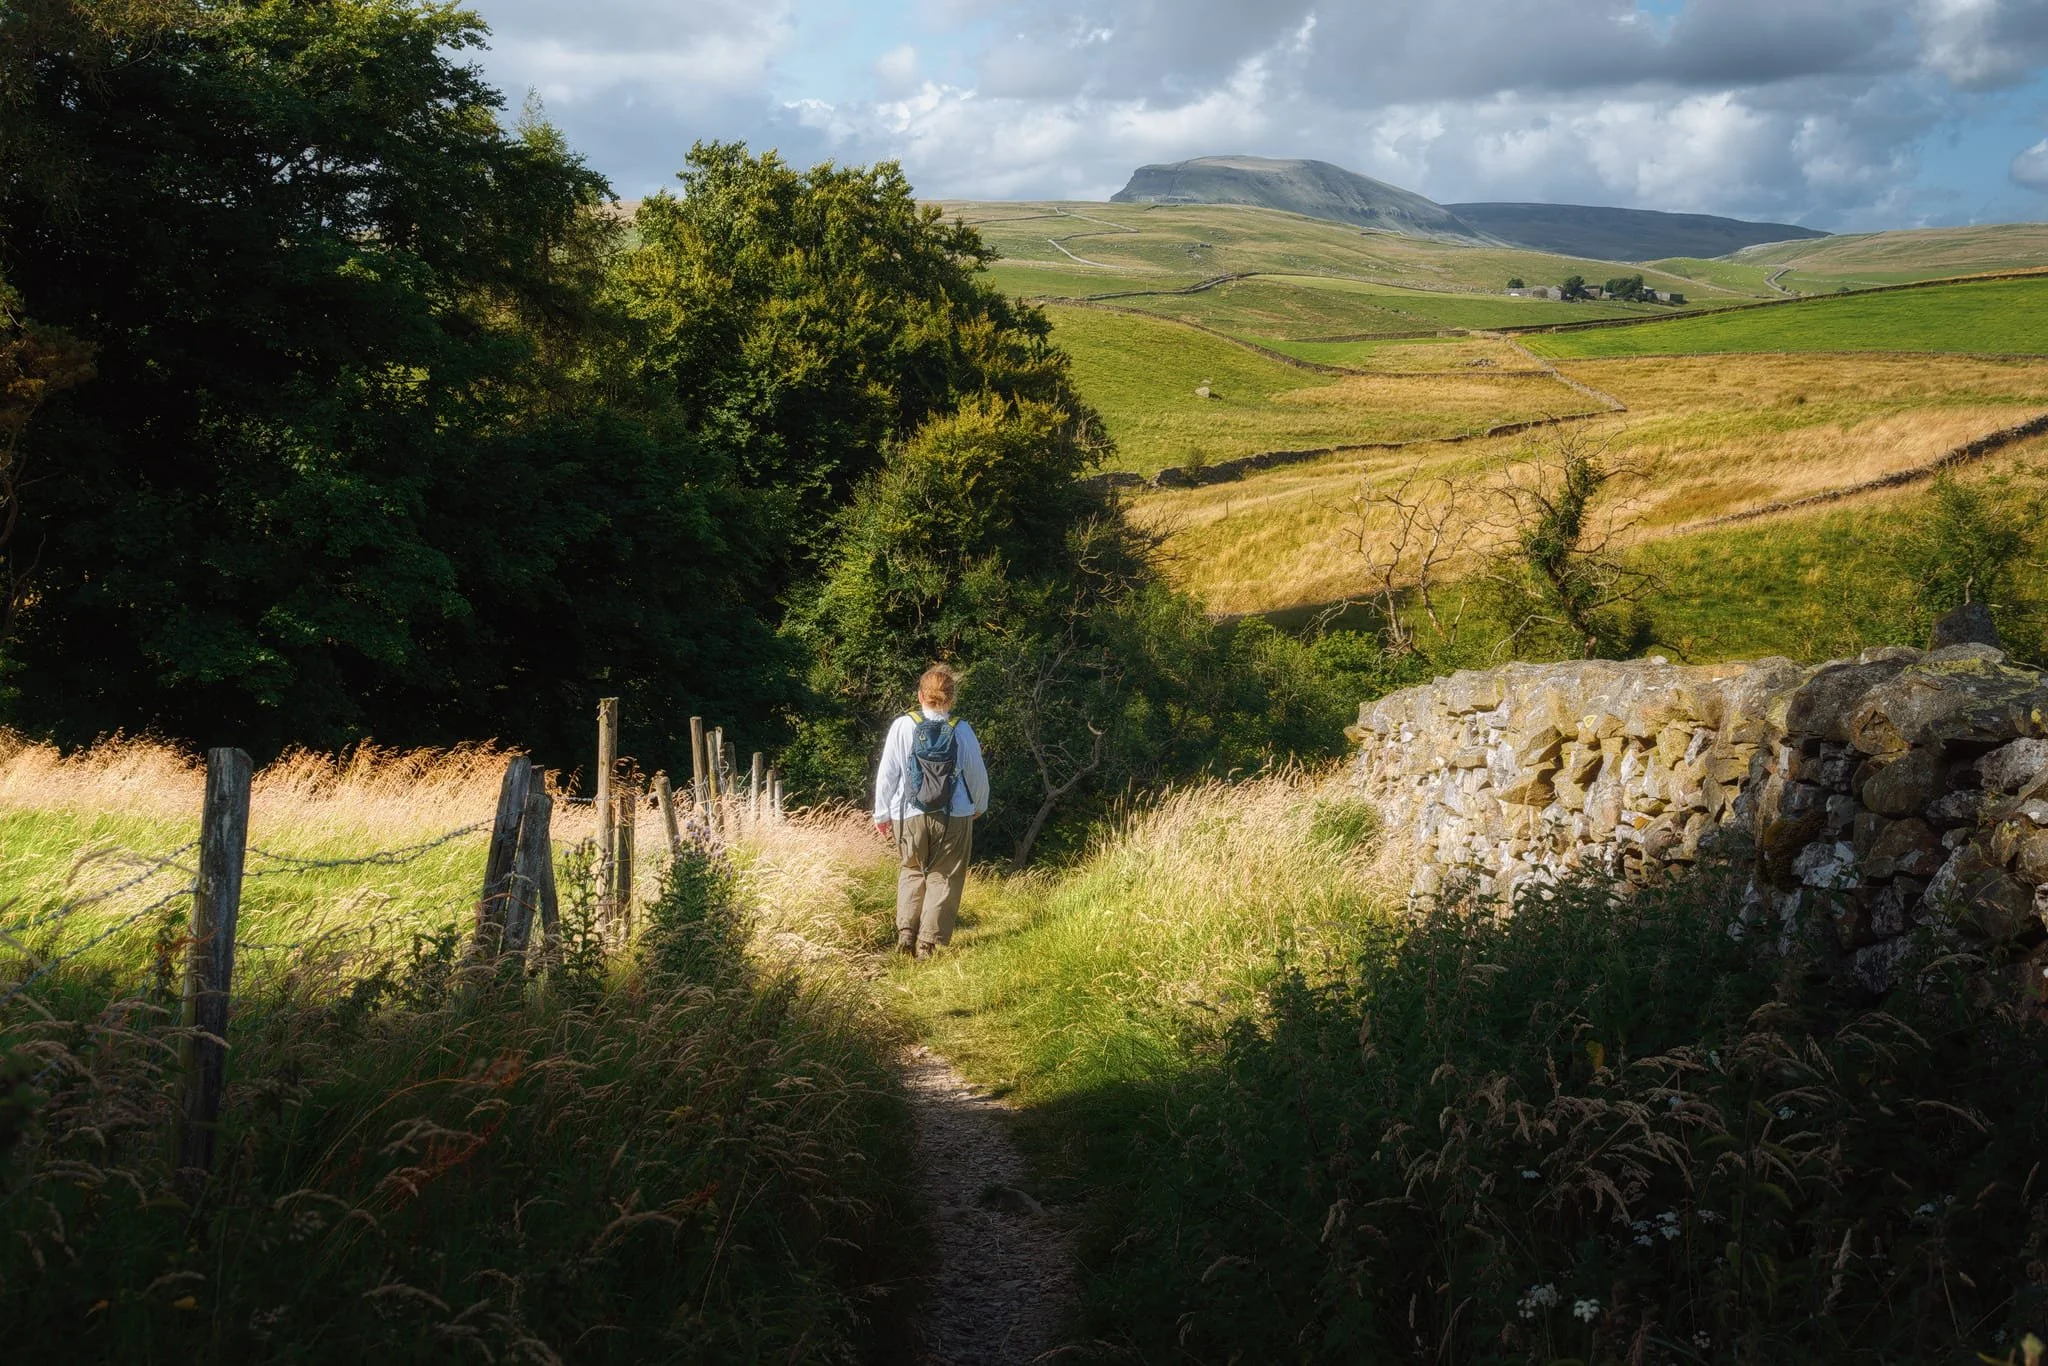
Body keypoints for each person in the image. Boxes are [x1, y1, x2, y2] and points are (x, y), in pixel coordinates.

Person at [872, 663, 988, 958]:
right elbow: (976, 773)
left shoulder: (902, 725)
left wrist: (881, 814)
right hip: (954, 813)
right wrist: (979, 805)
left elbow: (888, 773)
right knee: (944, 875)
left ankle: (906, 935)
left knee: (911, 870)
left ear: (920, 695)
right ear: (951, 699)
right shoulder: (961, 729)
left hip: (907, 814)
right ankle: (927, 943)